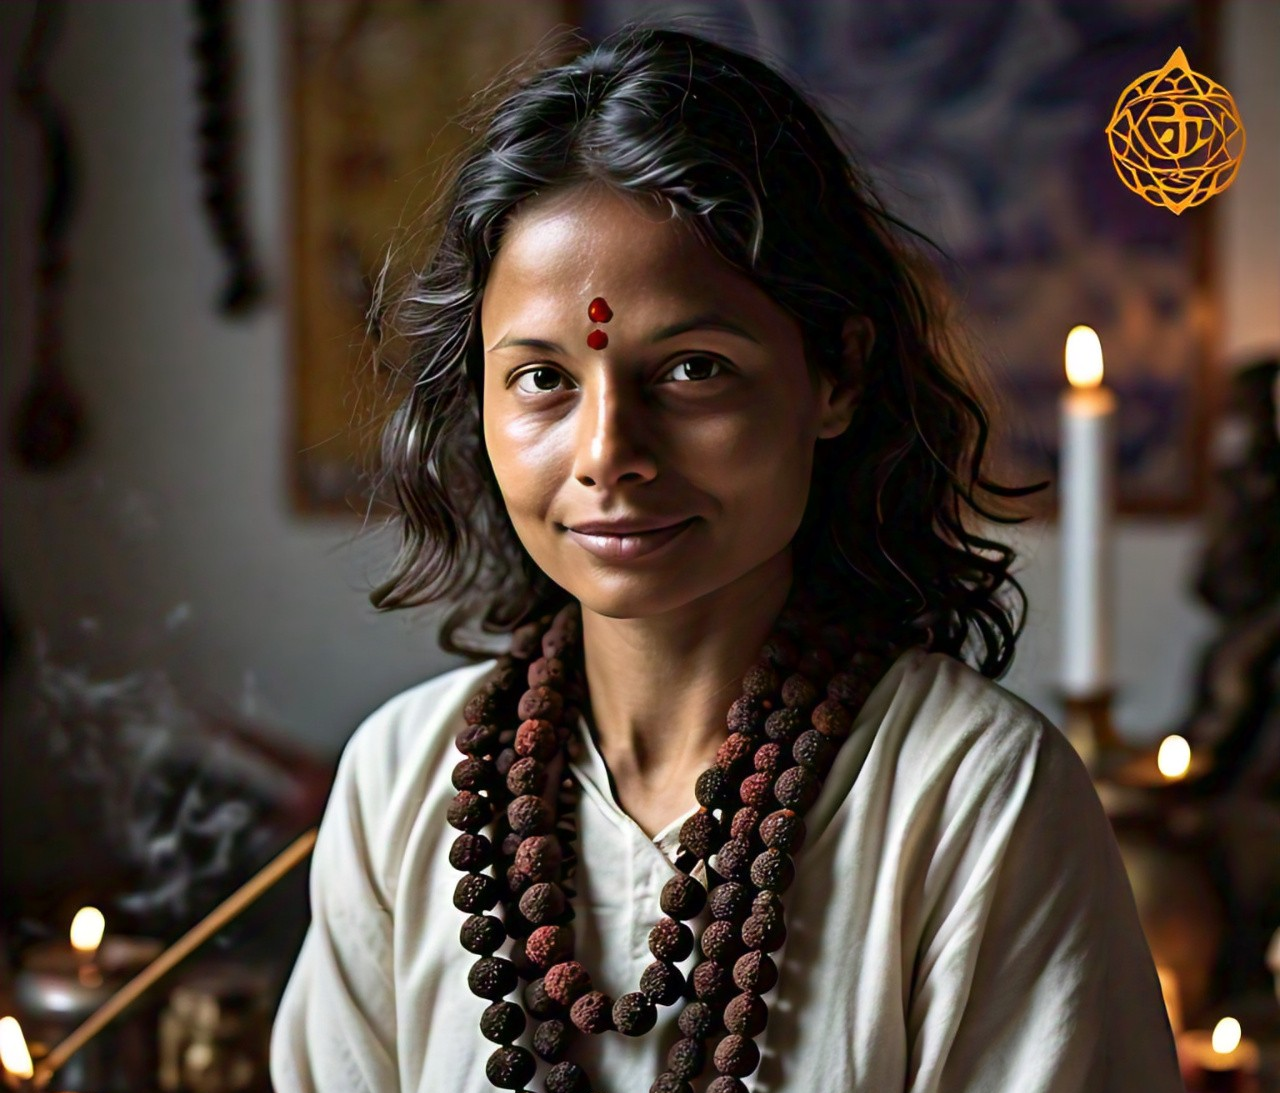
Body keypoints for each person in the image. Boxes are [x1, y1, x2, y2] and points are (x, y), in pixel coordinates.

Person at [269, 25, 1183, 1093]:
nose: (608, 453)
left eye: (693, 369)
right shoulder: (401, 783)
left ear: (834, 376)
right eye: (541, 379)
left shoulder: (968, 797)